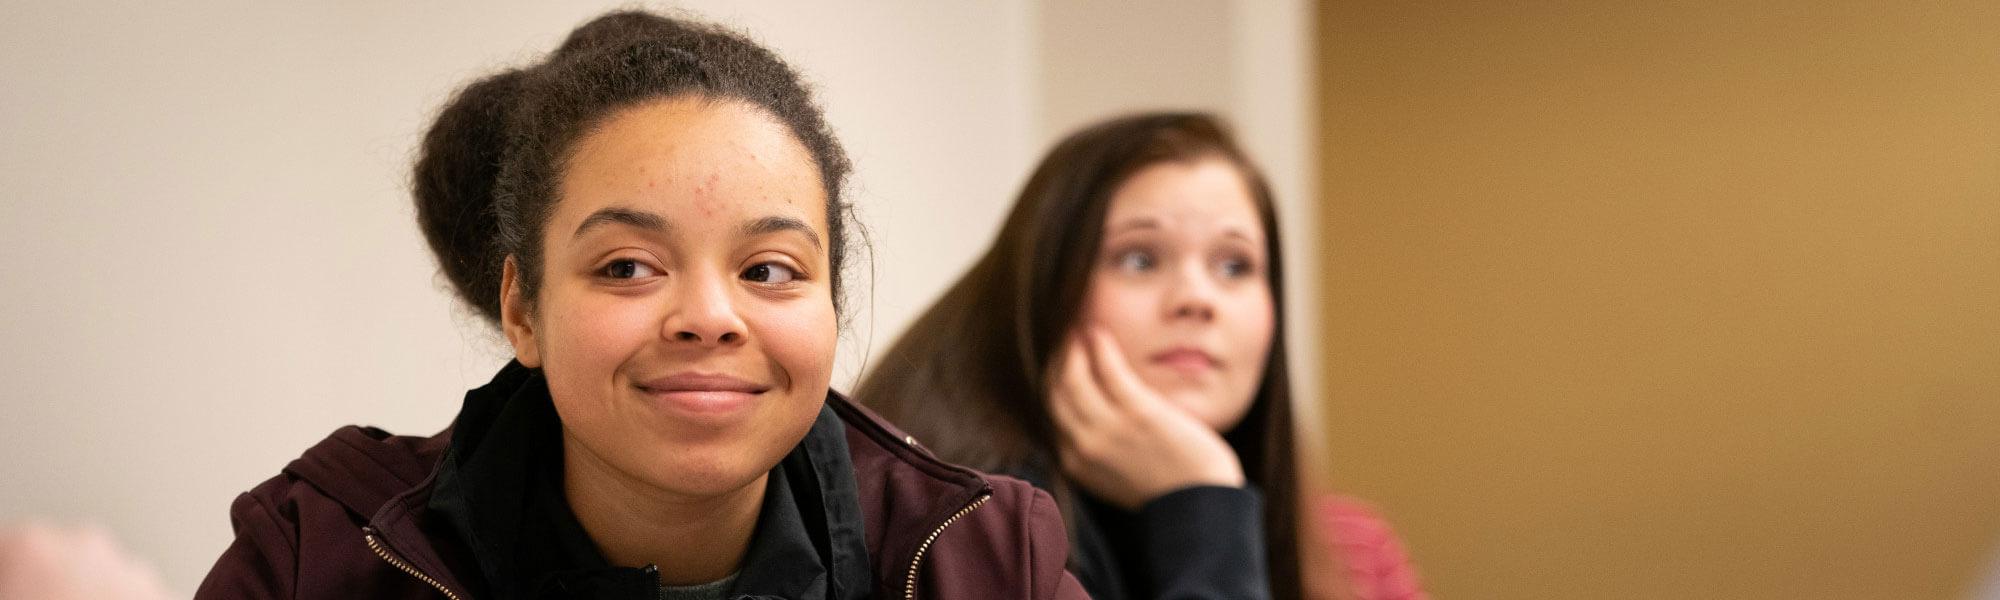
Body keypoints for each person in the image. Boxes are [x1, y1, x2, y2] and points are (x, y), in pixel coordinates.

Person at [197, 10, 1084, 599]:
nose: (709, 315)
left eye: (770, 270)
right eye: (627, 266)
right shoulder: (317, 555)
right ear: (523, 310)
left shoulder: (983, 560)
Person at [854, 113, 1427, 600]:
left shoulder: (1356, 553)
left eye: (1234, 266)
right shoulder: (972, 534)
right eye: (1139, 259)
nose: (1197, 299)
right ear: (1043, 293)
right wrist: (1205, 504)